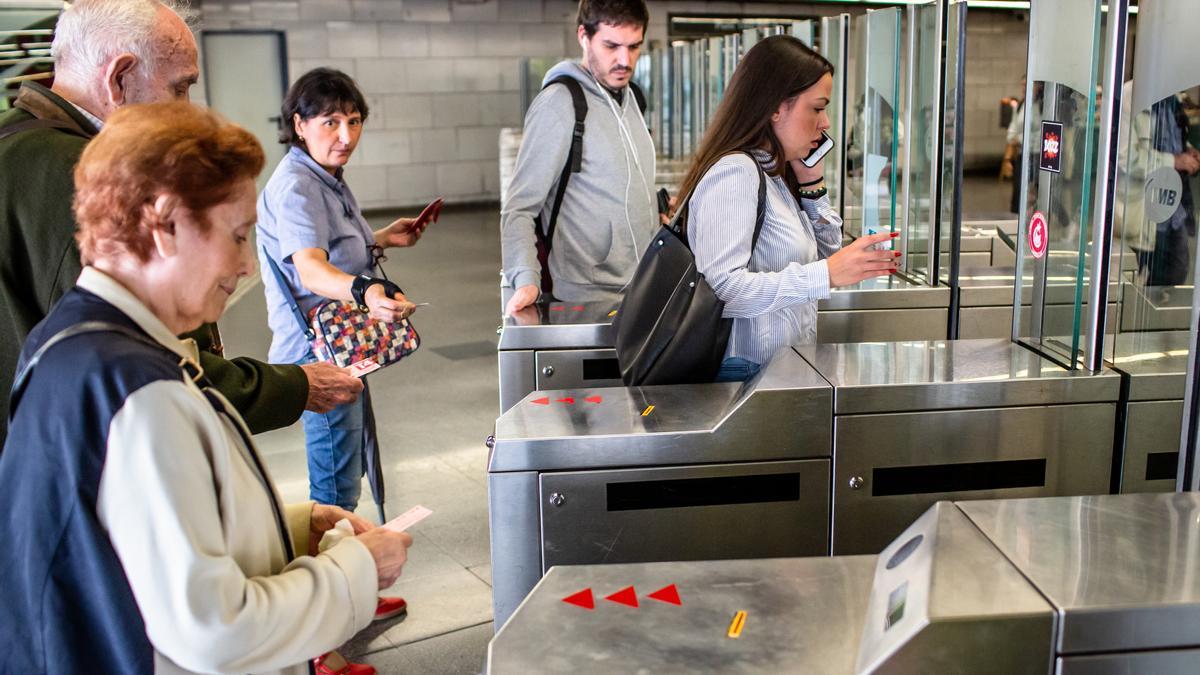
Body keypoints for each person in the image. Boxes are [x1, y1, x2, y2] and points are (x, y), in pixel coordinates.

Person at [0, 100, 414, 675]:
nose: (246, 266)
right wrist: (357, 572)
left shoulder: (72, 340)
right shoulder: (141, 395)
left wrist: (288, 527)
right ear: (166, 225)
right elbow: (217, 632)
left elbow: (130, 545)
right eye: (238, 235)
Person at [0, 0, 363, 446]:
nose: (188, 112)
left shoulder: (15, 146)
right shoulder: (88, 177)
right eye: (179, 89)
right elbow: (150, 363)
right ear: (119, 79)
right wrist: (295, 387)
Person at [677, 36, 896, 383]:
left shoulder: (773, 173)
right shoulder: (736, 173)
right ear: (776, 107)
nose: (825, 123)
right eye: (817, 107)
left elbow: (825, 256)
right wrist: (826, 275)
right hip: (745, 372)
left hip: (781, 363)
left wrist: (812, 186)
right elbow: (723, 292)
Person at [258, 68, 424, 526]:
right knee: (335, 486)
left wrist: (382, 239)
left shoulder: (324, 174)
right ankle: (336, 581)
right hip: (317, 353)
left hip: (341, 343)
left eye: (354, 121)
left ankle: (347, 572)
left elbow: (333, 245)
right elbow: (310, 268)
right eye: (330, 122)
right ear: (299, 124)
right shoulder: (297, 186)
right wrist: (366, 289)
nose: (345, 135)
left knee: (348, 466)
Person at [501, 0, 656, 316]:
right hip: (586, 297)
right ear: (583, 36)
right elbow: (519, 208)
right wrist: (525, 279)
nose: (625, 60)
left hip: (641, 288)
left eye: (634, 47)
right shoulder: (559, 105)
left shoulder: (633, 99)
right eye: (611, 46)